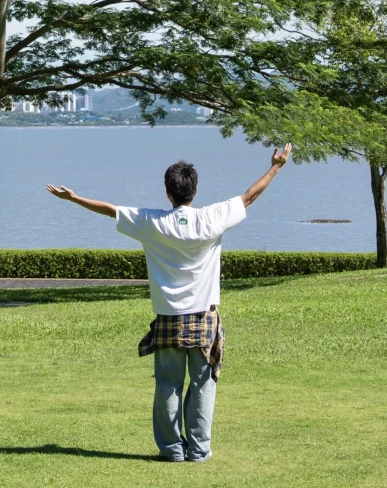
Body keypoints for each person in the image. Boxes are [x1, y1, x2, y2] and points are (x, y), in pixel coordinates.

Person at [46, 144, 292, 463]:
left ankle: (172, 449)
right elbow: (249, 197)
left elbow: (111, 210)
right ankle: (199, 449)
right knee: (203, 383)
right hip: (204, 317)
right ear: (195, 189)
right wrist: (275, 167)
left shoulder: (153, 223)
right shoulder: (211, 218)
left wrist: (75, 198)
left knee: (167, 384)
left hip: (168, 317)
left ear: (168, 192)